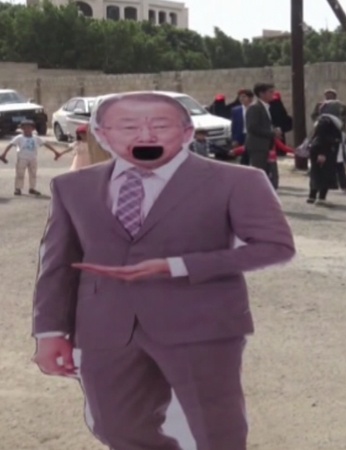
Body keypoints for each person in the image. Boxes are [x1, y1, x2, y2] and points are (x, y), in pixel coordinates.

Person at [32, 92, 295, 450]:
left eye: (160, 125)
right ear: (103, 135)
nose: (146, 135)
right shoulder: (72, 188)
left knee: (216, 431)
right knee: (113, 426)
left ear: (187, 133)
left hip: (201, 324)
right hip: (106, 326)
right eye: (128, 127)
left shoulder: (237, 181)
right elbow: (58, 264)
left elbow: (276, 246)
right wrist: (50, 331)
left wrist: (179, 266)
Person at [0, 119, 61, 196]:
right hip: (22, 158)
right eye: (25, 128)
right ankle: (18, 188)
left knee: (33, 174)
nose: (27, 129)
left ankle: (32, 188)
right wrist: (4, 154)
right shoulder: (19, 138)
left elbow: (45, 144)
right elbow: (10, 145)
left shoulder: (36, 138)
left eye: (29, 127)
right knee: (20, 174)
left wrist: (55, 152)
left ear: (33, 129)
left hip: (33, 158)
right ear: (22, 129)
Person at [307, 114, 344, 205]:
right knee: (324, 174)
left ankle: (312, 196)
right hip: (324, 151)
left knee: (316, 173)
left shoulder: (324, 121)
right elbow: (322, 137)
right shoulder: (326, 122)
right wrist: (322, 153)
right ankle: (321, 197)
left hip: (321, 150)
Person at [245, 82, 276, 175]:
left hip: (266, 146)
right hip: (258, 146)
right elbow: (252, 127)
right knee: (258, 173)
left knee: (267, 172)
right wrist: (272, 133)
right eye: (270, 92)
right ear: (261, 93)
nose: (273, 94)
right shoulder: (255, 107)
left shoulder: (266, 107)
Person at [231, 89, 254, 165]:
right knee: (243, 158)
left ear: (250, 98)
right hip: (241, 136)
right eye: (240, 97)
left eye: (244, 97)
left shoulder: (255, 109)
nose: (241, 99)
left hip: (253, 135)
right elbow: (234, 126)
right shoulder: (236, 110)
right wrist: (234, 139)